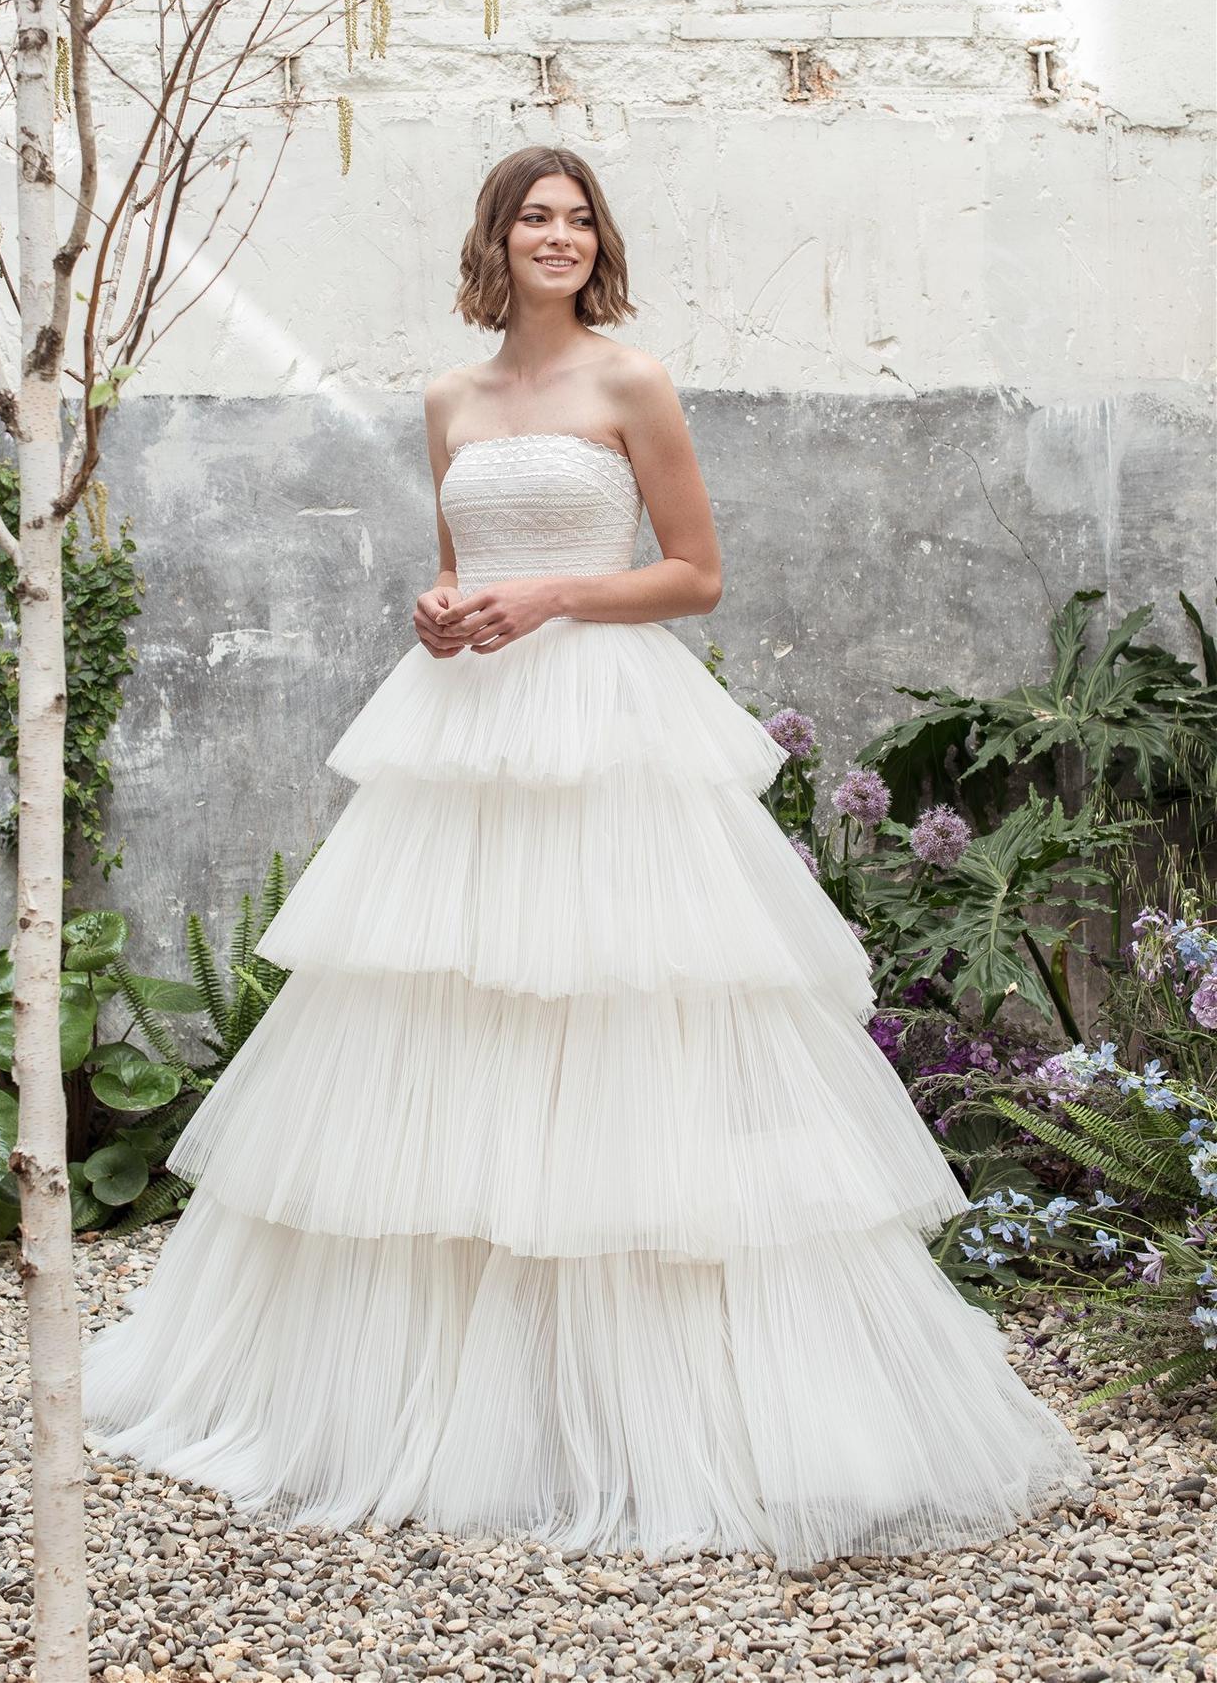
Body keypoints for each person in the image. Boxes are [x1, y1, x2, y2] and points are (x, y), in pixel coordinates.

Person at [81, 143, 1089, 1566]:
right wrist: (444, 609)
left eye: (578, 218)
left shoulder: (633, 382)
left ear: (596, 244)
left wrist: (554, 590)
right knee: (454, 1030)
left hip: (612, 728)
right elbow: (454, 563)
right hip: (471, 738)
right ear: (494, 241)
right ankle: (456, 1400)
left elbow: (694, 571)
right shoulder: (451, 397)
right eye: (533, 217)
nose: (558, 235)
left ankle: (648, 1406)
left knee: (625, 1024)